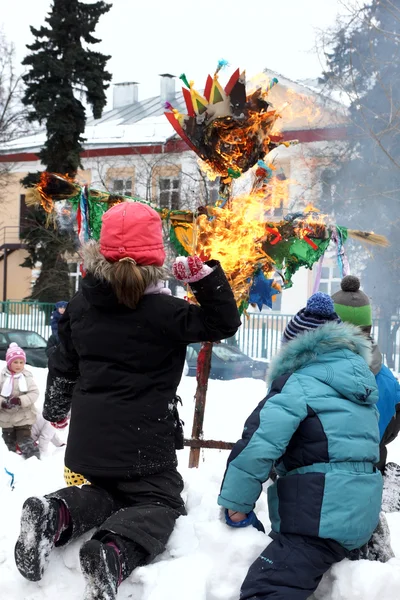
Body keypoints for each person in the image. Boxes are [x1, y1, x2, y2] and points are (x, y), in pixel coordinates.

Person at [14, 202, 241, 599]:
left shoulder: (81, 307)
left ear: (100, 253)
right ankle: (114, 551)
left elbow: (62, 362)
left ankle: (56, 514)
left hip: (89, 444)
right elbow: (222, 323)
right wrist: (204, 281)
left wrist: (55, 409)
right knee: (161, 502)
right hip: (144, 443)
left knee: (105, 494)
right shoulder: (167, 312)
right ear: (157, 260)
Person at [218, 292, 382, 600]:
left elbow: (258, 445)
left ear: (294, 350)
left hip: (319, 518)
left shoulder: (298, 384)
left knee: (267, 587)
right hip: (361, 513)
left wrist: (236, 506)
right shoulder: (361, 387)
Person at [331, 276, 400, 475]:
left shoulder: (311, 374)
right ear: (369, 328)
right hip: (369, 482)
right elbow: (389, 433)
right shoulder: (389, 381)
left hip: (317, 488)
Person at [0, 343, 40, 459]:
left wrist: (20, 400)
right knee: (9, 442)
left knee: (25, 440)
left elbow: (34, 393)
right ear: (8, 362)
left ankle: (34, 460)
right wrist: (2, 402)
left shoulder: (27, 377)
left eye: (21, 362)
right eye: (15, 362)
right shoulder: (2, 377)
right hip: (6, 419)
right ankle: (13, 462)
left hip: (24, 417)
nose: (18, 365)